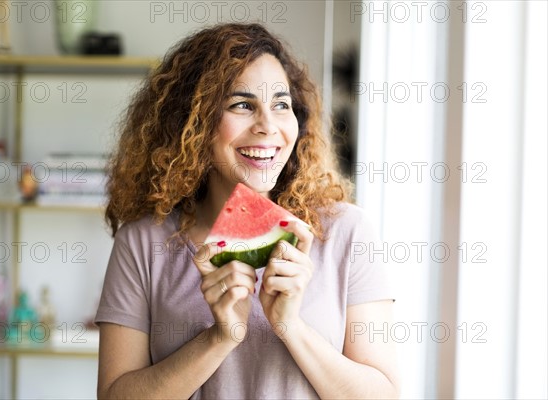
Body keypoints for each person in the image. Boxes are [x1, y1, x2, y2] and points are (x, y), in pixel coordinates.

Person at [95, 22, 399, 399]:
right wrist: (220, 338)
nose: (268, 126)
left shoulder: (348, 232)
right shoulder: (142, 242)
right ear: (195, 121)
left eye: (281, 105)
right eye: (242, 104)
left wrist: (290, 326)